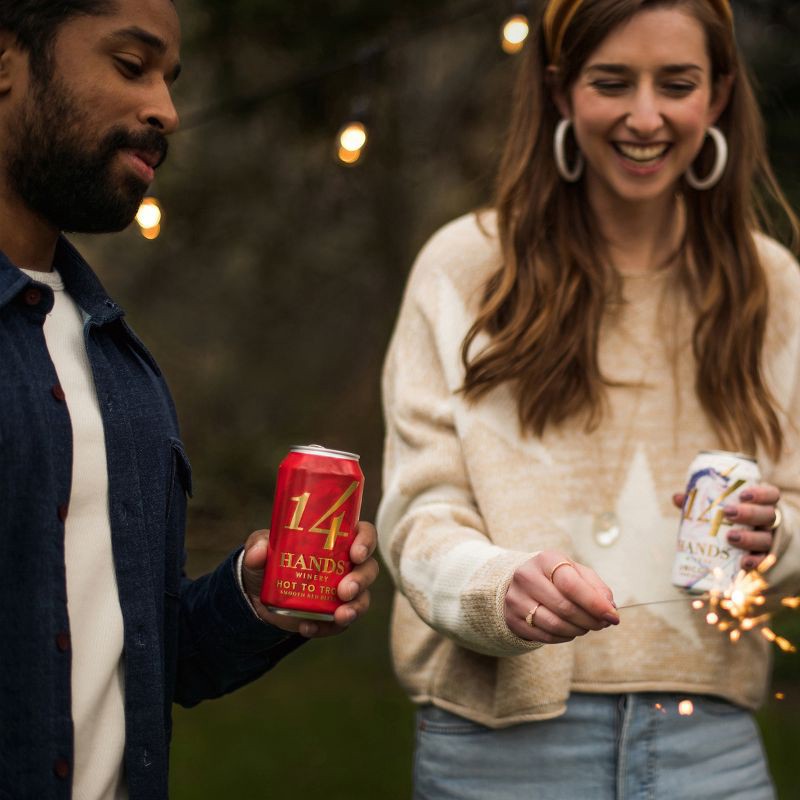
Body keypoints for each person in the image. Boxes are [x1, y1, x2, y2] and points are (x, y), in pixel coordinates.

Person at [377, 1, 800, 797]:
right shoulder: (467, 268)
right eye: (612, 82)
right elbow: (417, 514)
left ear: (718, 94)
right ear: (561, 91)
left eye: (676, 83)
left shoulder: (771, 286)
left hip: (707, 744)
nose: (646, 117)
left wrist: (774, 537)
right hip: (499, 745)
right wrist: (495, 586)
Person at [0, 1, 378, 798]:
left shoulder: (120, 366)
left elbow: (133, 655)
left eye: (171, 80)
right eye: (131, 65)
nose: (166, 111)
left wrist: (256, 597)